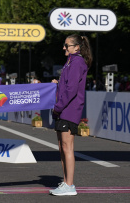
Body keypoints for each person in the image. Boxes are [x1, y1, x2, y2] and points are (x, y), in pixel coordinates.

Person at [50, 34, 93, 196]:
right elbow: (66, 85)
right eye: (64, 44)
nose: (64, 47)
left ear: (77, 47)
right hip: (64, 109)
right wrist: (56, 84)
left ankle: (69, 185)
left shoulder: (77, 62)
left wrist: (58, 107)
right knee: (62, 147)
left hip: (69, 109)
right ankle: (66, 182)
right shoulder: (71, 62)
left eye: (67, 45)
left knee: (67, 147)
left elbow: (71, 90)